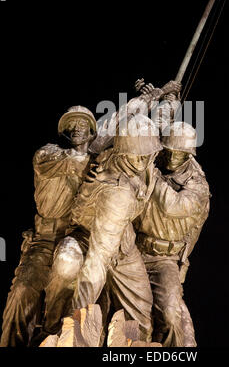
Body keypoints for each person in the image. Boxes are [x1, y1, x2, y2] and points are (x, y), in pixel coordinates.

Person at [43, 115, 162, 343]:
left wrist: (166, 99)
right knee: (80, 277)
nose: (141, 161)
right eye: (137, 157)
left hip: (124, 244)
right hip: (97, 239)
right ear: (126, 154)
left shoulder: (135, 160)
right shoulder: (117, 192)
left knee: (142, 315)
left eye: (147, 155)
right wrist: (76, 322)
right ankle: (60, 329)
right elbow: (96, 262)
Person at [0, 106, 97, 347]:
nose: (76, 128)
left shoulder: (98, 167)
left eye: (82, 124)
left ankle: (53, 332)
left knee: (67, 263)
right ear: (65, 132)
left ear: (91, 132)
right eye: (71, 125)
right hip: (43, 240)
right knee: (21, 292)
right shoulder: (48, 155)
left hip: (77, 237)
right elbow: (75, 162)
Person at [133, 122, 211, 347]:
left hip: (164, 259)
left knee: (169, 314)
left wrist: (152, 175)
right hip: (133, 250)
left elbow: (173, 206)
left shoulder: (197, 185)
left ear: (188, 155)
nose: (172, 156)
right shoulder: (152, 161)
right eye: (168, 150)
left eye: (178, 153)